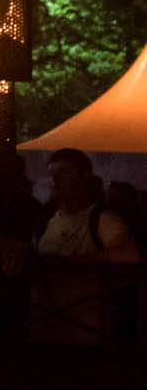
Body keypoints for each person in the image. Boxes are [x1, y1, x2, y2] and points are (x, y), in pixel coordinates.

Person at [29, 148, 137, 347]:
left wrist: (72, 264)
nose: (56, 180)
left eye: (64, 172)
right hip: (45, 331)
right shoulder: (45, 220)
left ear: (85, 177)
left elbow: (129, 254)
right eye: (53, 174)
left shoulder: (103, 219)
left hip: (86, 335)